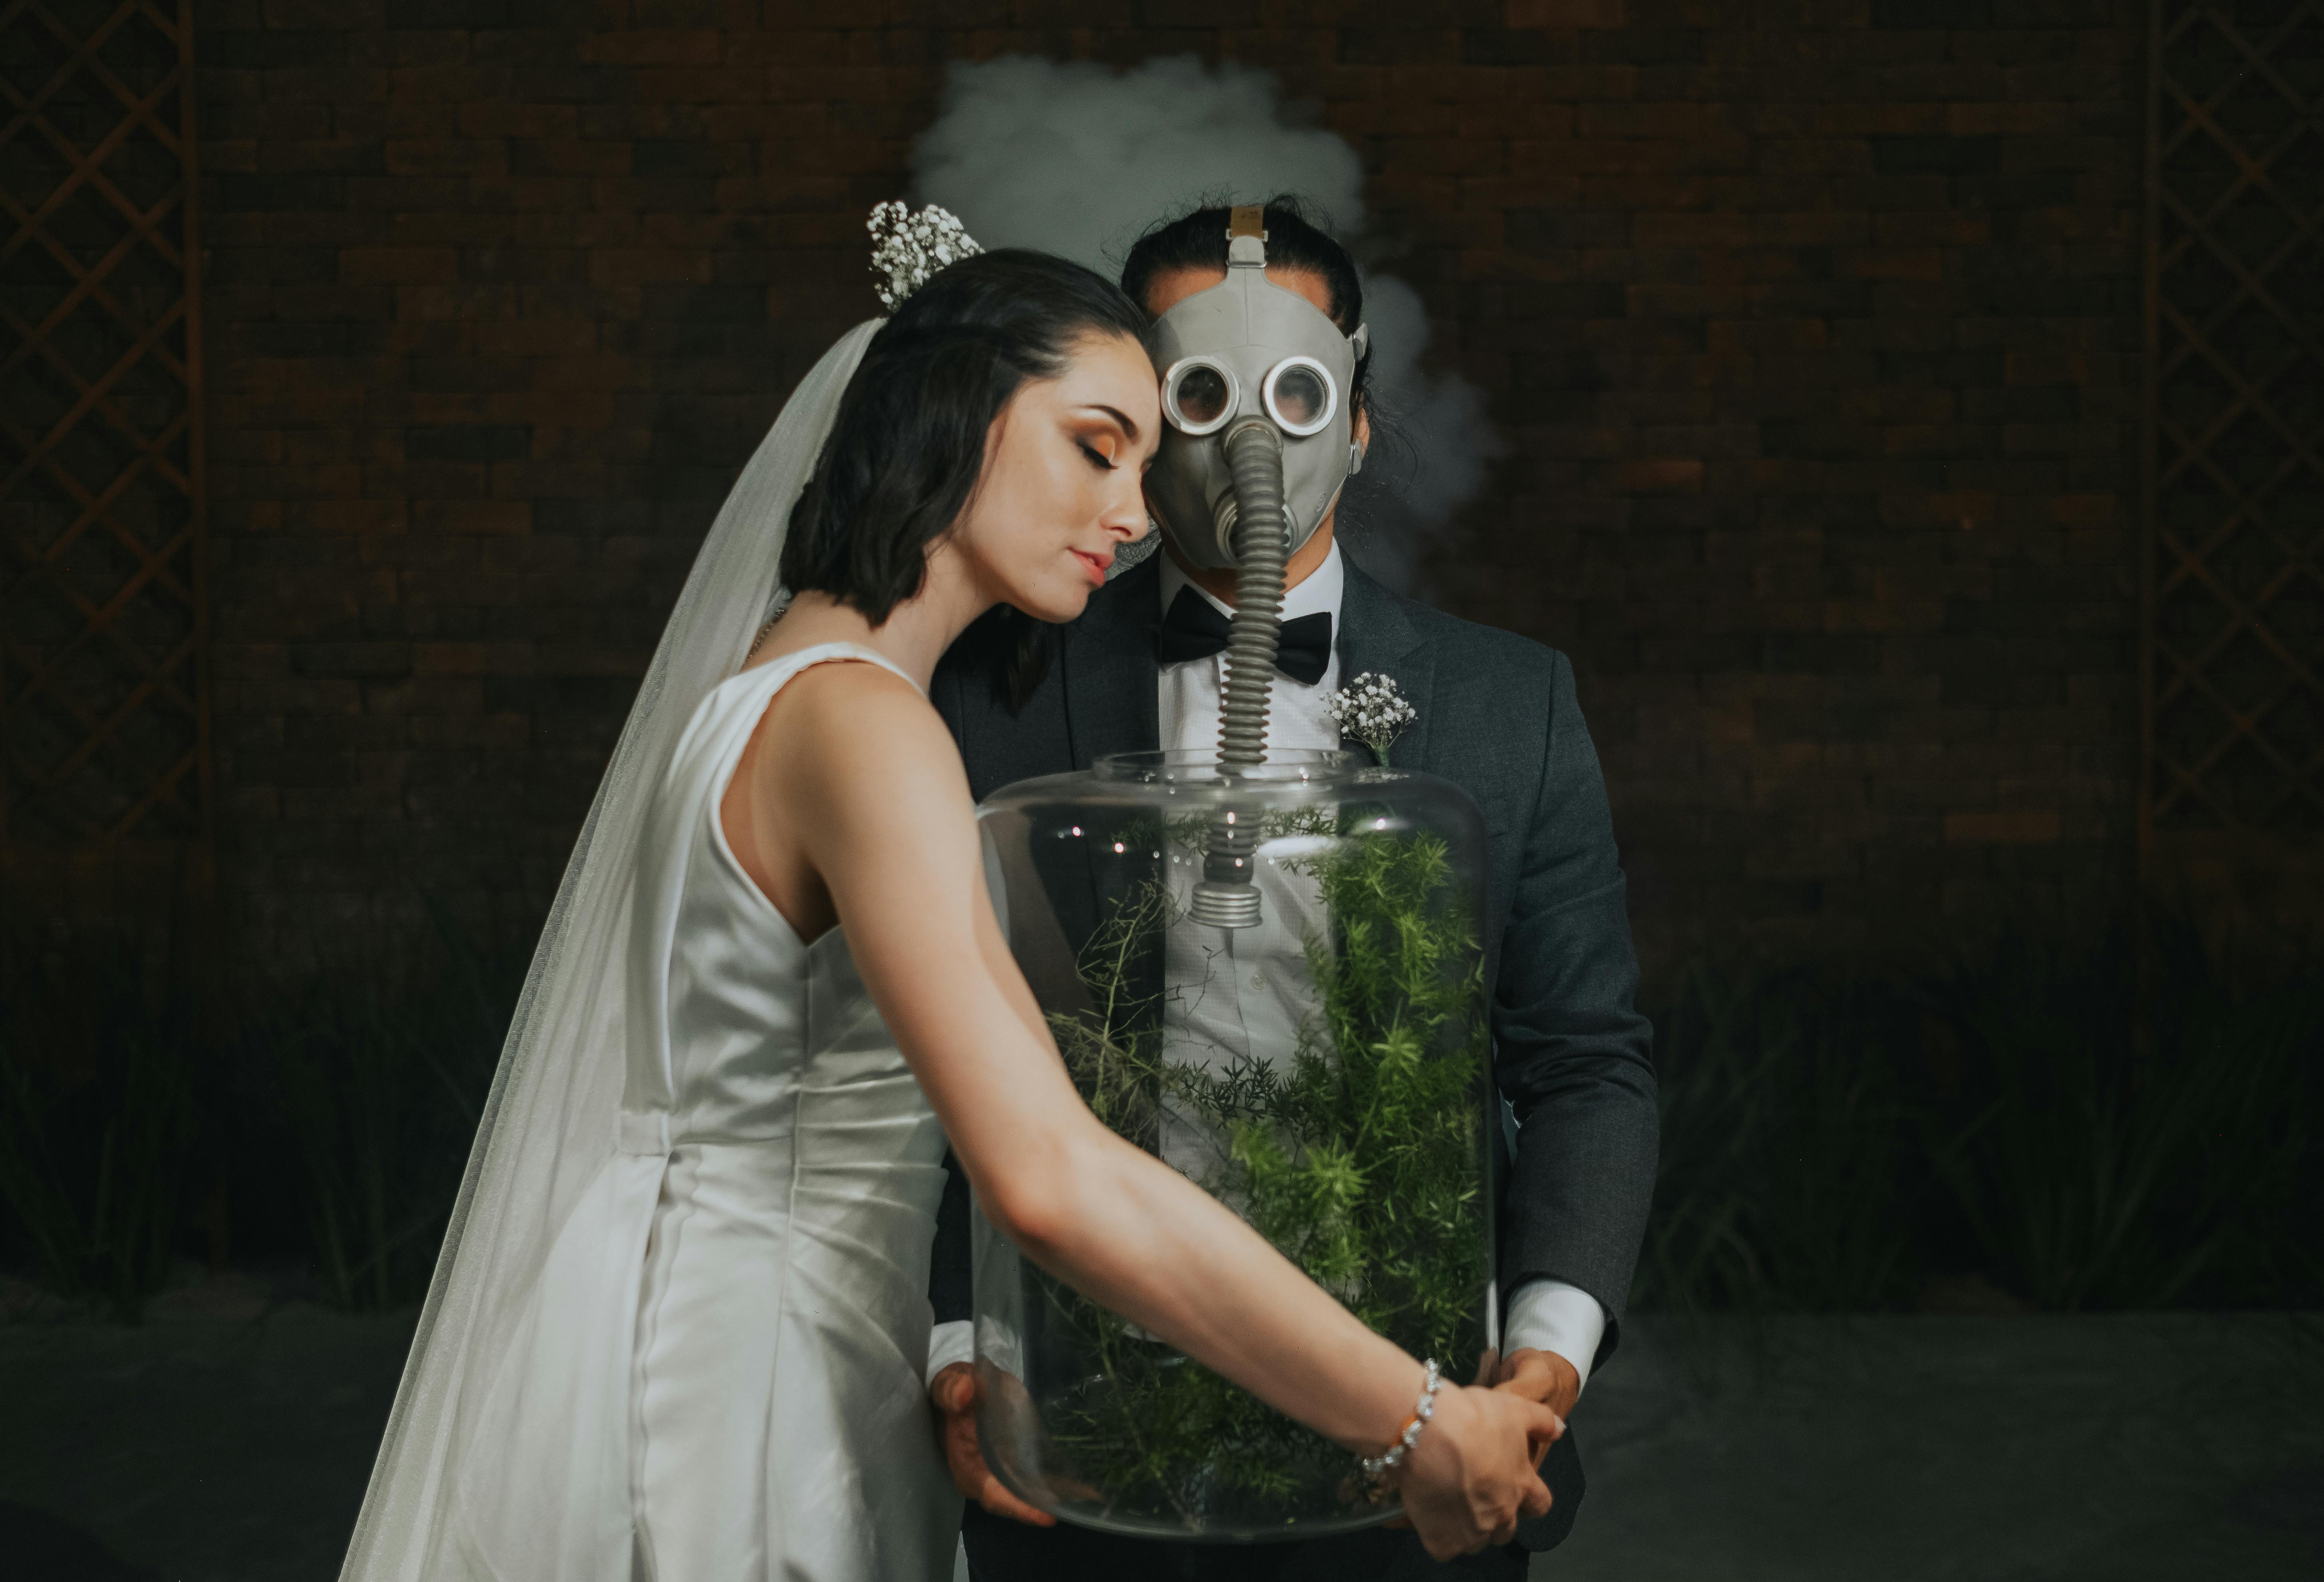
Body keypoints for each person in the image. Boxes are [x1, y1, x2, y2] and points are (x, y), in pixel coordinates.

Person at [336, 214, 1561, 1582]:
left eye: (1145, 464)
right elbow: (1048, 1176)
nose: (1129, 508)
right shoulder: (864, 727)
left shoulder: (783, 686)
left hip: (727, 1336)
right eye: (1096, 445)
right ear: (957, 414)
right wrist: (1415, 1413)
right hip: (739, 1394)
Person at [925, 198, 1661, 1582]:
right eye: (1196, 390)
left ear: (1358, 419)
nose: (1247, 441)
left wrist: (1539, 1364)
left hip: (1411, 1424)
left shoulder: (1512, 706)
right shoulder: (994, 692)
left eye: (1297, 390)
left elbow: (1584, 1062)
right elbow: (918, 1058)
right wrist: (965, 1350)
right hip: (1088, 1431)